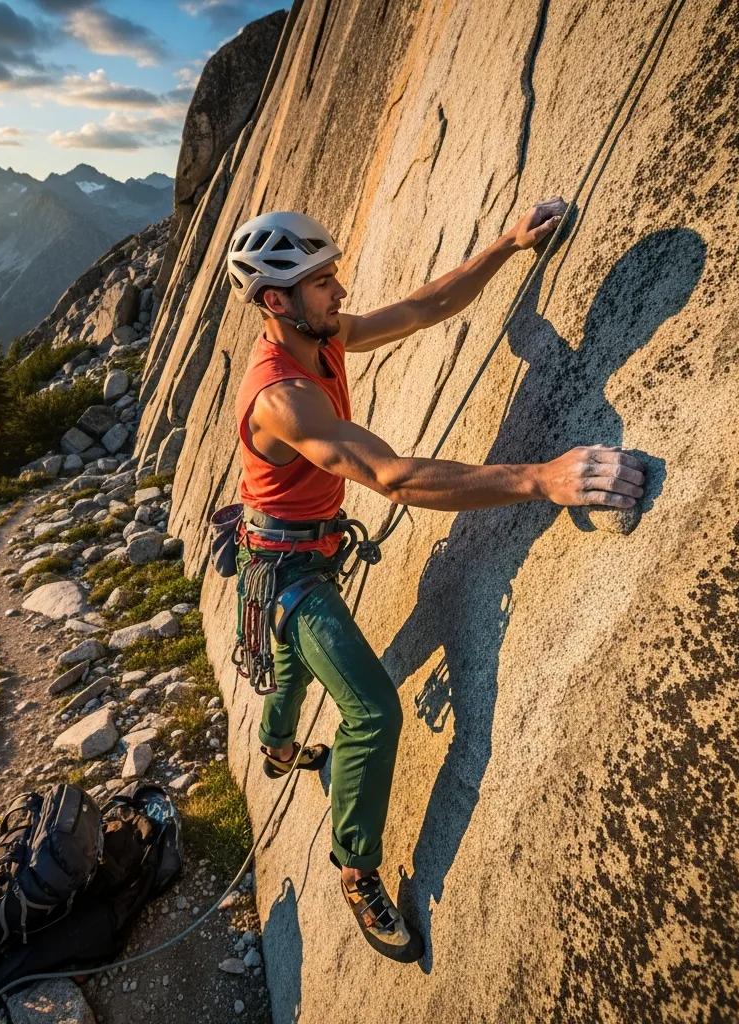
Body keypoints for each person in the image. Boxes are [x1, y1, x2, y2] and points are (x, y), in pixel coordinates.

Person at [224, 203, 645, 961]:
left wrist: (504, 249)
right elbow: (391, 475)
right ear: (276, 300)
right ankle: (356, 867)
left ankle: (279, 750)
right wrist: (541, 479)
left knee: (290, 668)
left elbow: (424, 308)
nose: (340, 290)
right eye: (322, 283)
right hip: (286, 570)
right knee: (373, 710)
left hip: (299, 551)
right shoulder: (283, 396)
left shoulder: (323, 338)